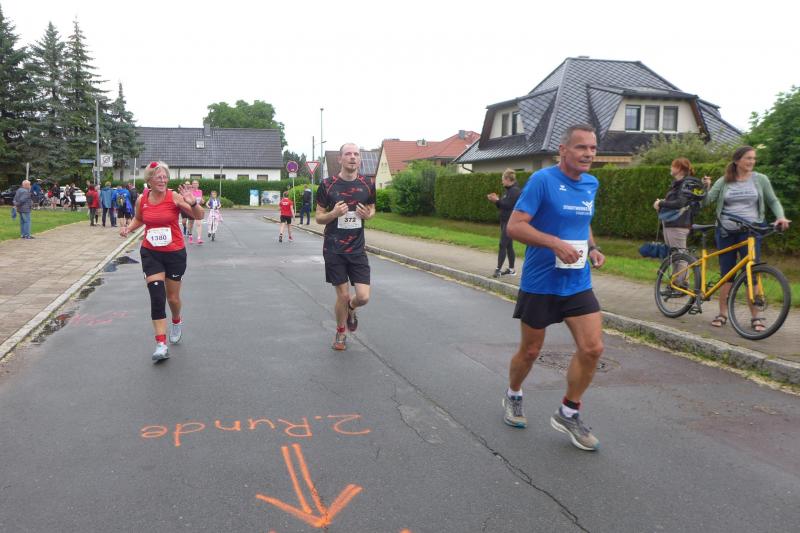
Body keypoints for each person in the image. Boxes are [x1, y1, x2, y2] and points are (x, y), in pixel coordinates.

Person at [503, 124, 606, 452]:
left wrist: (592, 247)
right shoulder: (542, 181)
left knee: (592, 348)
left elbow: (583, 221)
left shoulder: (591, 183)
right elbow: (515, 226)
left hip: (577, 281)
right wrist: (554, 244)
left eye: (593, 148)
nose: (588, 154)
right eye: (581, 147)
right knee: (531, 351)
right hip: (541, 282)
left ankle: (568, 412)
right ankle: (513, 394)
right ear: (563, 150)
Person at [120, 161, 204, 362]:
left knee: (172, 298)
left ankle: (176, 320)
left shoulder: (174, 197)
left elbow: (199, 215)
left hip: (174, 253)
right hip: (151, 253)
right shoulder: (142, 199)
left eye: (165, 177)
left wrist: (193, 203)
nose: (162, 180)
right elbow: (139, 219)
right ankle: (160, 344)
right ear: (149, 179)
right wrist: (128, 228)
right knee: (157, 296)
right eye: (158, 177)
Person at [702, 146, 790, 332]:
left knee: (752, 272)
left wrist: (780, 217)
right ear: (737, 161)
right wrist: (705, 188)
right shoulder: (724, 181)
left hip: (751, 231)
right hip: (726, 231)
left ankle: (756, 316)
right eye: (748, 158)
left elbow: (773, 201)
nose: (751, 162)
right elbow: (707, 201)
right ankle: (722, 313)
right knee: (727, 274)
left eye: (753, 158)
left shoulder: (760, 179)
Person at [316, 143, 376, 351]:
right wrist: (333, 214)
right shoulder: (327, 185)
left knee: (363, 297)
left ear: (360, 159)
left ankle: (351, 307)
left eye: (356, 154)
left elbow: (372, 208)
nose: (352, 157)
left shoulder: (367, 184)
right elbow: (318, 217)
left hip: (357, 249)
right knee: (342, 295)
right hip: (334, 249)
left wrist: (368, 215)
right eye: (348, 154)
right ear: (339, 159)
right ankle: (341, 332)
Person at [652, 158, 703, 285]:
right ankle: (676, 283)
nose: (670, 168)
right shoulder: (680, 184)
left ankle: (681, 284)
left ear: (679, 169)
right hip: (673, 223)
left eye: (672, 166)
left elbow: (680, 203)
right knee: (675, 255)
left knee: (680, 256)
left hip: (678, 224)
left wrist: (661, 203)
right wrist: (664, 203)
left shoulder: (684, 184)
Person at [487, 168, 521, 278]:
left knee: (502, 244)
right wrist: (496, 201)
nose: (502, 182)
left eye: (503, 179)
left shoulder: (515, 191)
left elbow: (508, 205)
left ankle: (498, 270)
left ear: (507, 179)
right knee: (508, 245)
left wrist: (497, 200)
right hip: (504, 220)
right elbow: (502, 205)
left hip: (510, 222)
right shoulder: (508, 190)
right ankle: (511, 270)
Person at [188, 179, 204, 244]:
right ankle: (190, 236)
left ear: (198, 185)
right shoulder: (190, 192)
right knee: (190, 224)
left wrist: (202, 201)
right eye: (194, 183)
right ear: (192, 185)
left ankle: (199, 238)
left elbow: (201, 200)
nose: (195, 184)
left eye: (196, 183)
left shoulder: (200, 191)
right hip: (191, 209)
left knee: (199, 224)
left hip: (198, 209)